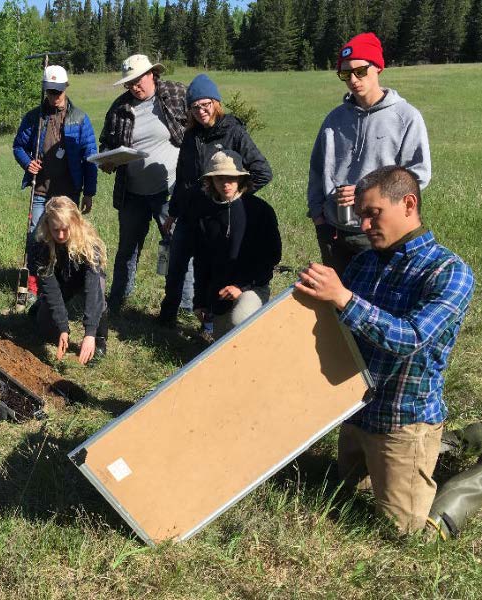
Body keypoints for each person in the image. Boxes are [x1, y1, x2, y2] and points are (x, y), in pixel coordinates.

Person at [296, 166, 474, 535]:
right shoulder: (364, 262)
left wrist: (343, 297)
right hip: (357, 412)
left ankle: (468, 485)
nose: (363, 226)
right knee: (343, 494)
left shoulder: (449, 271)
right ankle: (455, 440)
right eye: (360, 215)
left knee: (409, 532)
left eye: (372, 213)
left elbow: (409, 339)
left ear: (408, 204)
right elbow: (342, 329)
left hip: (403, 419)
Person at [307, 32, 431, 276]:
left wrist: (366, 193)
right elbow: (316, 169)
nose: (353, 79)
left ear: (378, 68)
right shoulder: (334, 119)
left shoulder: (406, 117)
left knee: (376, 306)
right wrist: (318, 217)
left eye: (360, 71)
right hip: (334, 231)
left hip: (382, 233)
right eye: (345, 74)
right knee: (336, 305)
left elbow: (418, 175)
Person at [159, 73, 273, 326]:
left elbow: (263, 172)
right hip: (190, 214)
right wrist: (174, 213)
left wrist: (233, 198)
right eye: (195, 107)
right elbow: (183, 177)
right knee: (176, 267)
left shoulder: (233, 131)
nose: (201, 111)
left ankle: (207, 323)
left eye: (205, 104)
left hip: (216, 217)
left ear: (216, 103)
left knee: (212, 265)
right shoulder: (191, 136)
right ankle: (167, 318)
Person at [99, 54, 188, 314]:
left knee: (178, 244)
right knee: (127, 247)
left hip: (170, 190)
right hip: (132, 192)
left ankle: (183, 303)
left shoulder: (175, 92)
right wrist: (107, 159)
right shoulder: (119, 108)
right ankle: (118, 299)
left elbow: (201, 121)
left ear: (151, 74)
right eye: (129, 84)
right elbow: (106, 141)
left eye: (137, 81)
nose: (134, 87)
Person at [12, 65, 98, 299]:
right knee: (36, 237)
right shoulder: (34, 118)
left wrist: (89, 191)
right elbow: (18, 146)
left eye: (59, 91)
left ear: (66, 88)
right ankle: (33, 286)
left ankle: (67, 284)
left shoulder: (79, 119)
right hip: (40, 190)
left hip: (68, 193)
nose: (55, 96)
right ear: (45, 91)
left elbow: (90, 156)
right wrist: (27, 163)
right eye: (51, 92)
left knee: (68, 237)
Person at [193, 150, 280, 340]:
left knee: (239, 323)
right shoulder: (205, 215)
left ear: (241, 179)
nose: (225, 184)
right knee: (222, 344)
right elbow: (201, 262)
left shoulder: (260, 210)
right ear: (211, 181)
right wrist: (199, 301)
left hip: (253, 286)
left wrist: (241, 286)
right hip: (220, 292)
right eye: (219, 179)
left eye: (231, 178)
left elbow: (272, 255)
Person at [31, 196, 108, 365]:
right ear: (47, 226)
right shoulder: (42, 245)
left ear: (75, 223)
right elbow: (51, 287)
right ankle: (41, 306)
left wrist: (90, 333)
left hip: (86, 279)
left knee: (98, 292)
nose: (60, 235)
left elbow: (92, 288)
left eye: (65, 229)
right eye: (55, 229)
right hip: (62, 280)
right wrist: (63, 328)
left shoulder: (89, 245)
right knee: (46, 328)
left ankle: (100, 339)